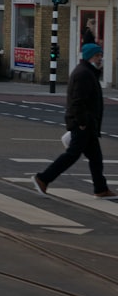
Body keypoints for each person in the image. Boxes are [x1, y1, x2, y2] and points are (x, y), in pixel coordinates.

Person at [33, 43, 117, 199]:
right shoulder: (83, 74)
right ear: (88, 57)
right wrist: (82, 122)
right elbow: (77, 101)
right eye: (97, 56)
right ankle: (43, 178)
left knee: (95, 158)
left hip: (87, 123)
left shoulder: (88, 72)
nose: (100, 59)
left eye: (100, 55)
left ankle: (101, 188)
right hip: (82, 124)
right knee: (72, 154)